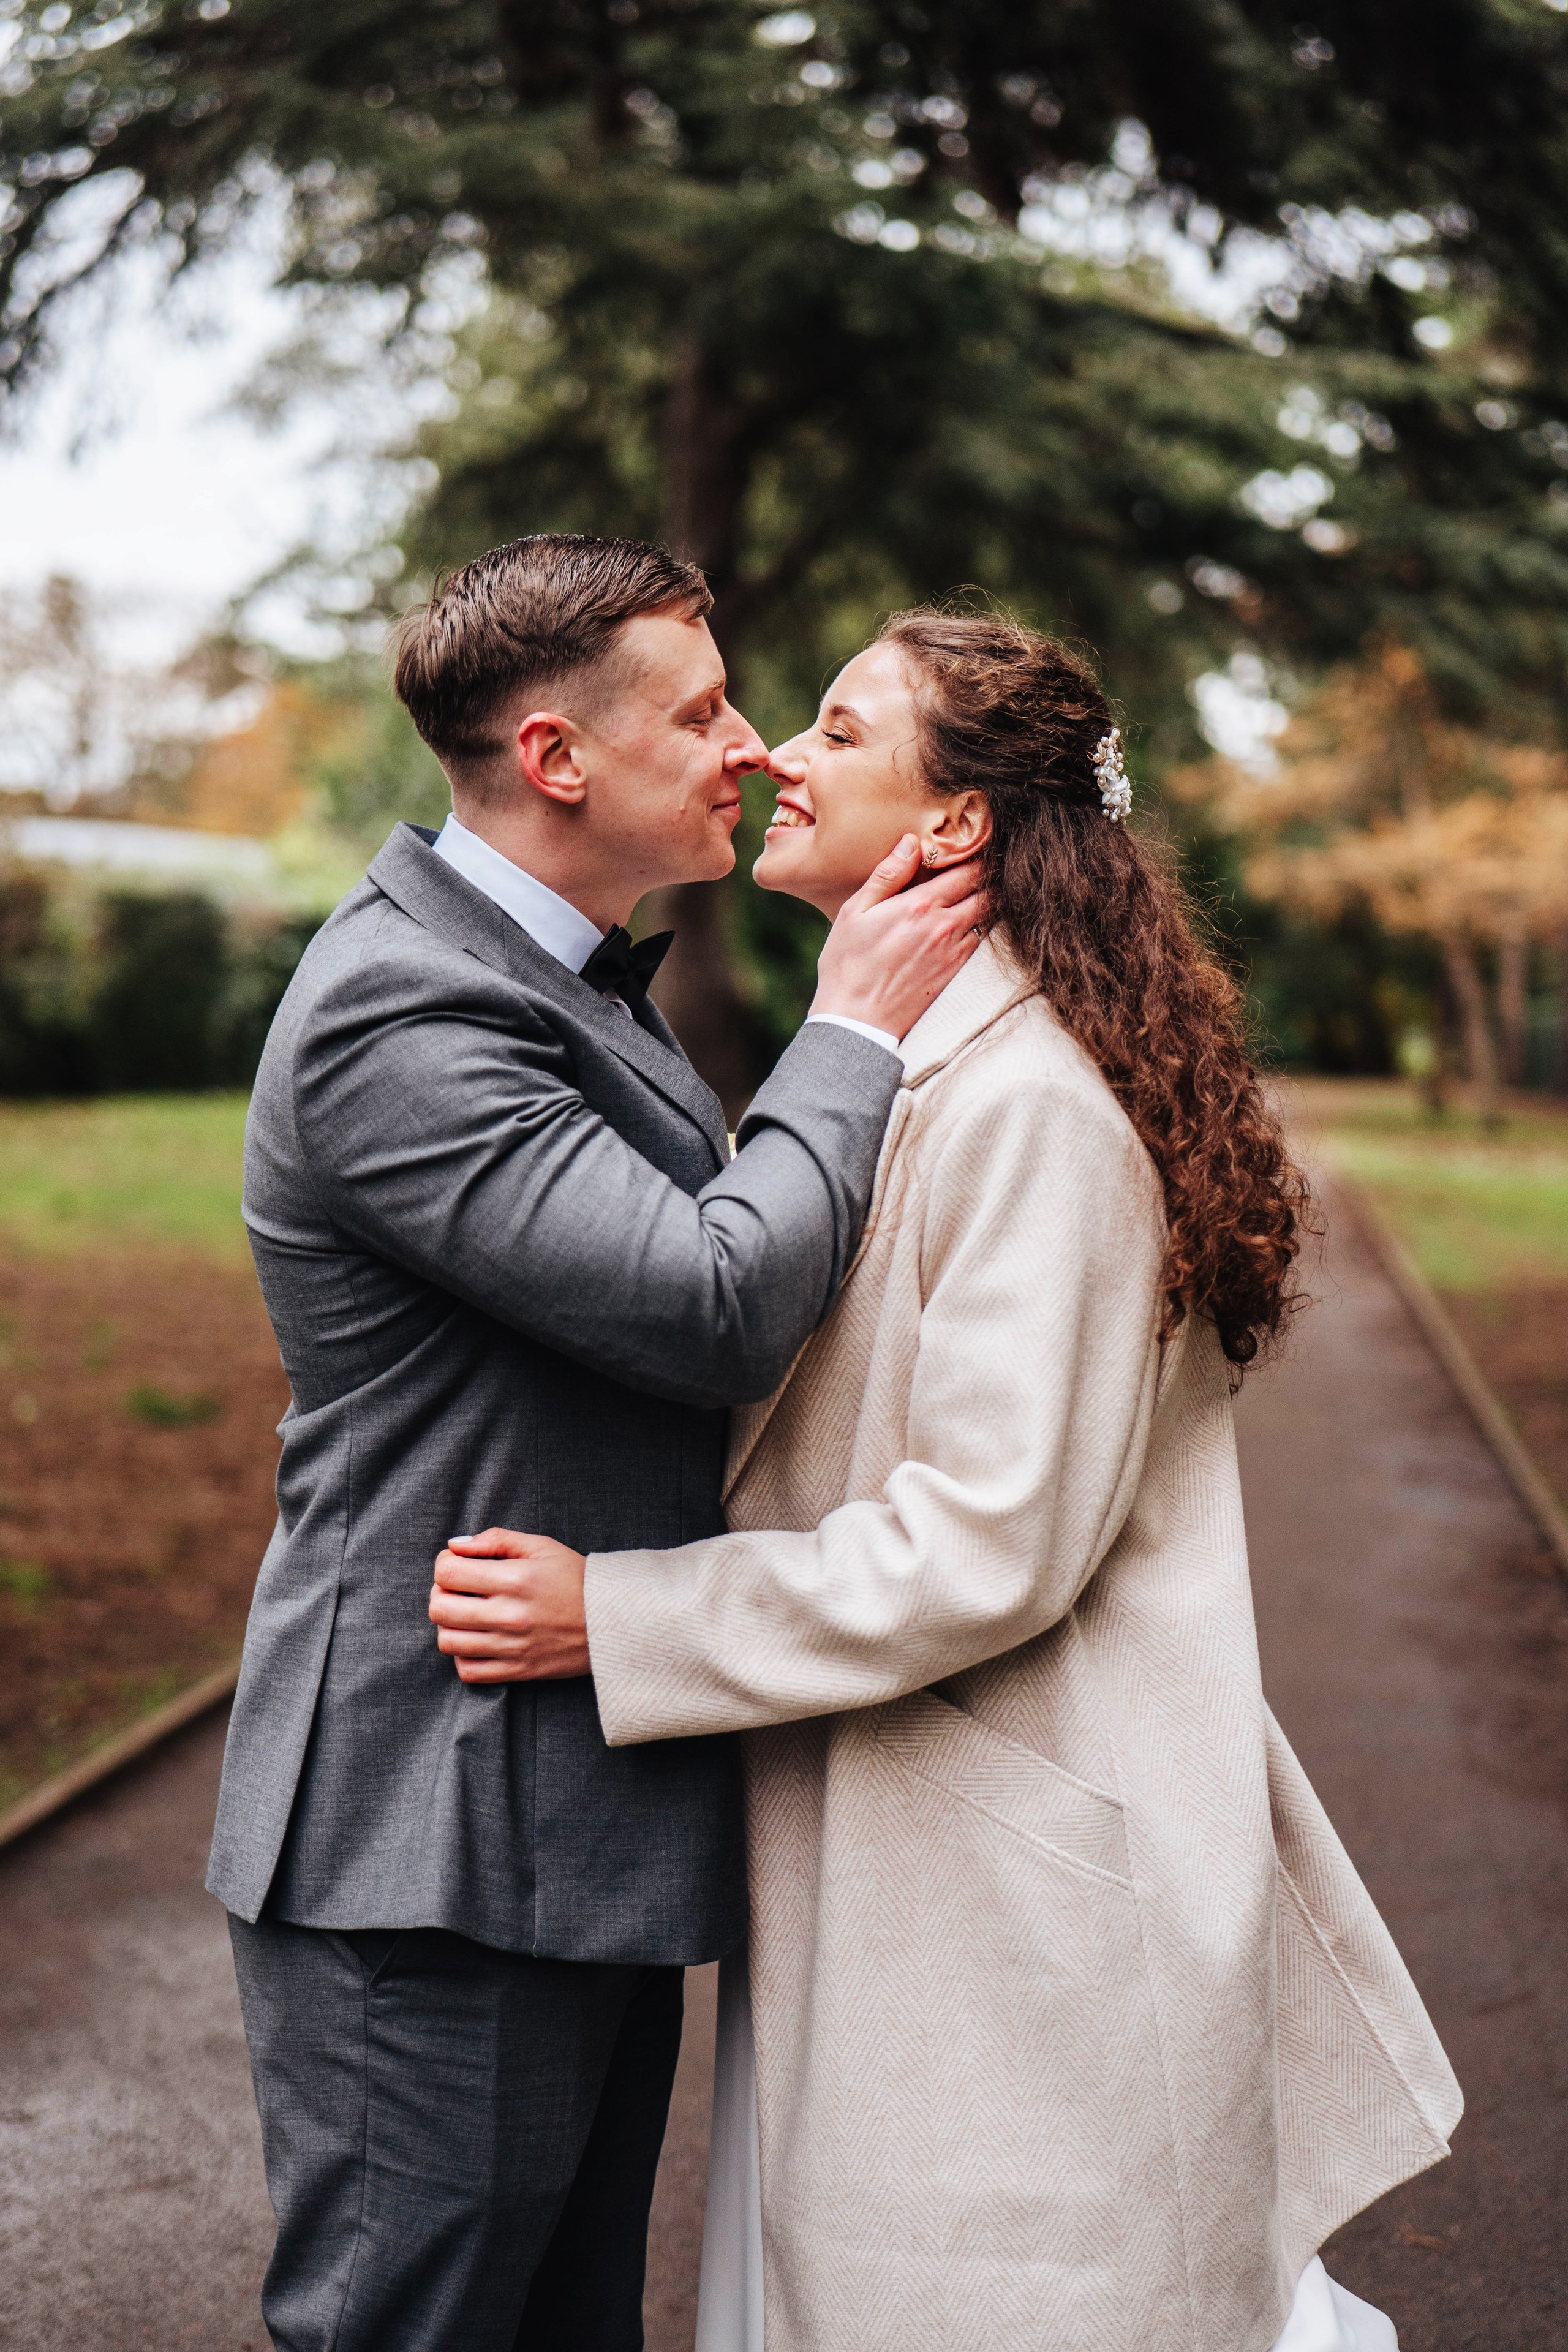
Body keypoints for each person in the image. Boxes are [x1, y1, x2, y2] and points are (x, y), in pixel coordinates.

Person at [429, 608, 1463, 2352]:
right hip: (913, 1856)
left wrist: (625, 1615)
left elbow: (982, 1544)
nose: (774, 755)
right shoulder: (908, 1068)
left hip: (1014, 1888)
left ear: (955, 823)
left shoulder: (1034, 1106)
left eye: (838, 730)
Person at [206, 536, 984, 2352]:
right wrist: (855, 1025)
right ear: (558, 759)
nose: (754, 750)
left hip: (571, 1801)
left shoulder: (559, 982)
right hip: (433, 1827)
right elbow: (710, 1301)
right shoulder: (405, 1009)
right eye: (703, 710)